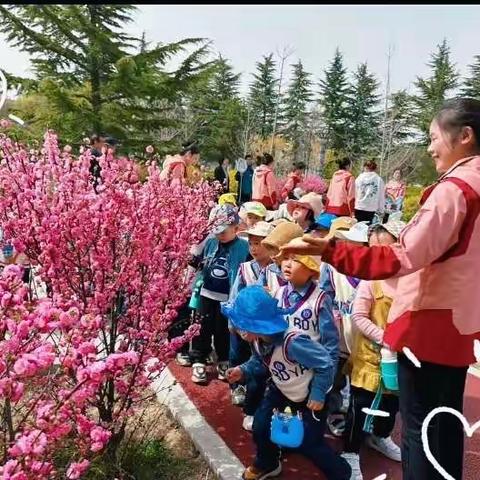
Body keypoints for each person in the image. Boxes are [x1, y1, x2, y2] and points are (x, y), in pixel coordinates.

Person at [279, 97, 480, 480]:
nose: (429, 146)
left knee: (421, 432)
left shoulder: (455, 191)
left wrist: (330, 249)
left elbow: (397, 258)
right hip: (461, 329)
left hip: (428, 328)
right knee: (443, 427)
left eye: (434, 137)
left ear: (465, 136)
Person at [222, 285, 351, 480]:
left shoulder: (294, 342)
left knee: (309, 442)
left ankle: (342, 473)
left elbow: (325, 364)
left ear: (258, 325)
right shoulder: (257, 340)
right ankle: (268, 462)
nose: (238, 328)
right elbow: (261, 362)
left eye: (243, 324)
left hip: (309, 393)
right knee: (261, 425)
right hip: (281, 388)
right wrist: (244, 370)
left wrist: (317, 394)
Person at [341, 221, 405, 479]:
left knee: (392, 403)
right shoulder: (371, 282)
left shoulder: (411, 281)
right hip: (370, 357)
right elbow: (358, 316)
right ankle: (350, 451)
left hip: (399, 358)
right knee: (360, 404)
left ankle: (380, 435)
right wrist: (385, 337)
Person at [189, 205, 249, 384]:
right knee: (201, 328)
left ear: (236, 228)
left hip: (228, 298)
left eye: (224, 231)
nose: (219, 235)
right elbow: (197, 261)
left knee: (224, 331)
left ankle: (224, 359)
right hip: (206, 294)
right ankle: (198, 360)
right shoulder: (210, 243)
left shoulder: (243, 248)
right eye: (216, 231)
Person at [228, 222, 275, 429]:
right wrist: (236, 323)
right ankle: (242, 394)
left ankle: (261, 407)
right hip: (245, 327)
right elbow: (235, 297)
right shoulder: (246, 269)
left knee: (264, 366)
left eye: (259, 244)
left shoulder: (277, 271)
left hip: (266, 330)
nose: (254, 248)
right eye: (251, 244)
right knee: (244, 359)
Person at [259, 222, 304, 296]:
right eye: (270, 249)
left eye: (277, 250)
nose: (273, 255)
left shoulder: (304, 273)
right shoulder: (267, 272)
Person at [354, 160, 385, 224]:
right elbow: (381, 196)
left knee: (357, 226)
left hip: (359, 206)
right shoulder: (379, 180)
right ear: (375, 168)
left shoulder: (359, 178)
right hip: (371, 207)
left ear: (365, 167)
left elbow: (355, 192)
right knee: (367, 227)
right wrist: (381, 209)